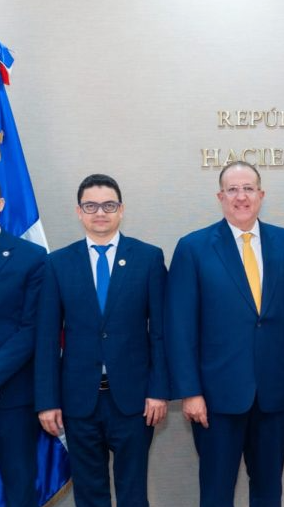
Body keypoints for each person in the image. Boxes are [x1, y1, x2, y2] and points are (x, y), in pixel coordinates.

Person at [165, 161, 284, 507]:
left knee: (268, 490)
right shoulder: (193, 248)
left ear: (261, 195)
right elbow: (179, 327)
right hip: (215, 398)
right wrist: (190, 391)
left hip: (274, 391)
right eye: (232, 189)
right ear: (220, 197)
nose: (241, 196)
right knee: (217, 493)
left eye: (248, 188)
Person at [35, 174, 168, 507]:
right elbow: (47, 339)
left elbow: (160, 332)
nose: (100, 213)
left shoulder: (148, 258)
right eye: (91, 206)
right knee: (90, 494)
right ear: (79, 212)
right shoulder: (57, 264)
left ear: (121, 209)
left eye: (108, 205)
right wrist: (47, 400)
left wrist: (158, 390)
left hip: (135, 401)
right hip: (79, 401)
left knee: (133, 493)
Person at [0, 184, 46, 507]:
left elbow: (32, 329)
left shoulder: (31, 257)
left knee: (19, 491)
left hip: (11, 400)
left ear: (1, 204)